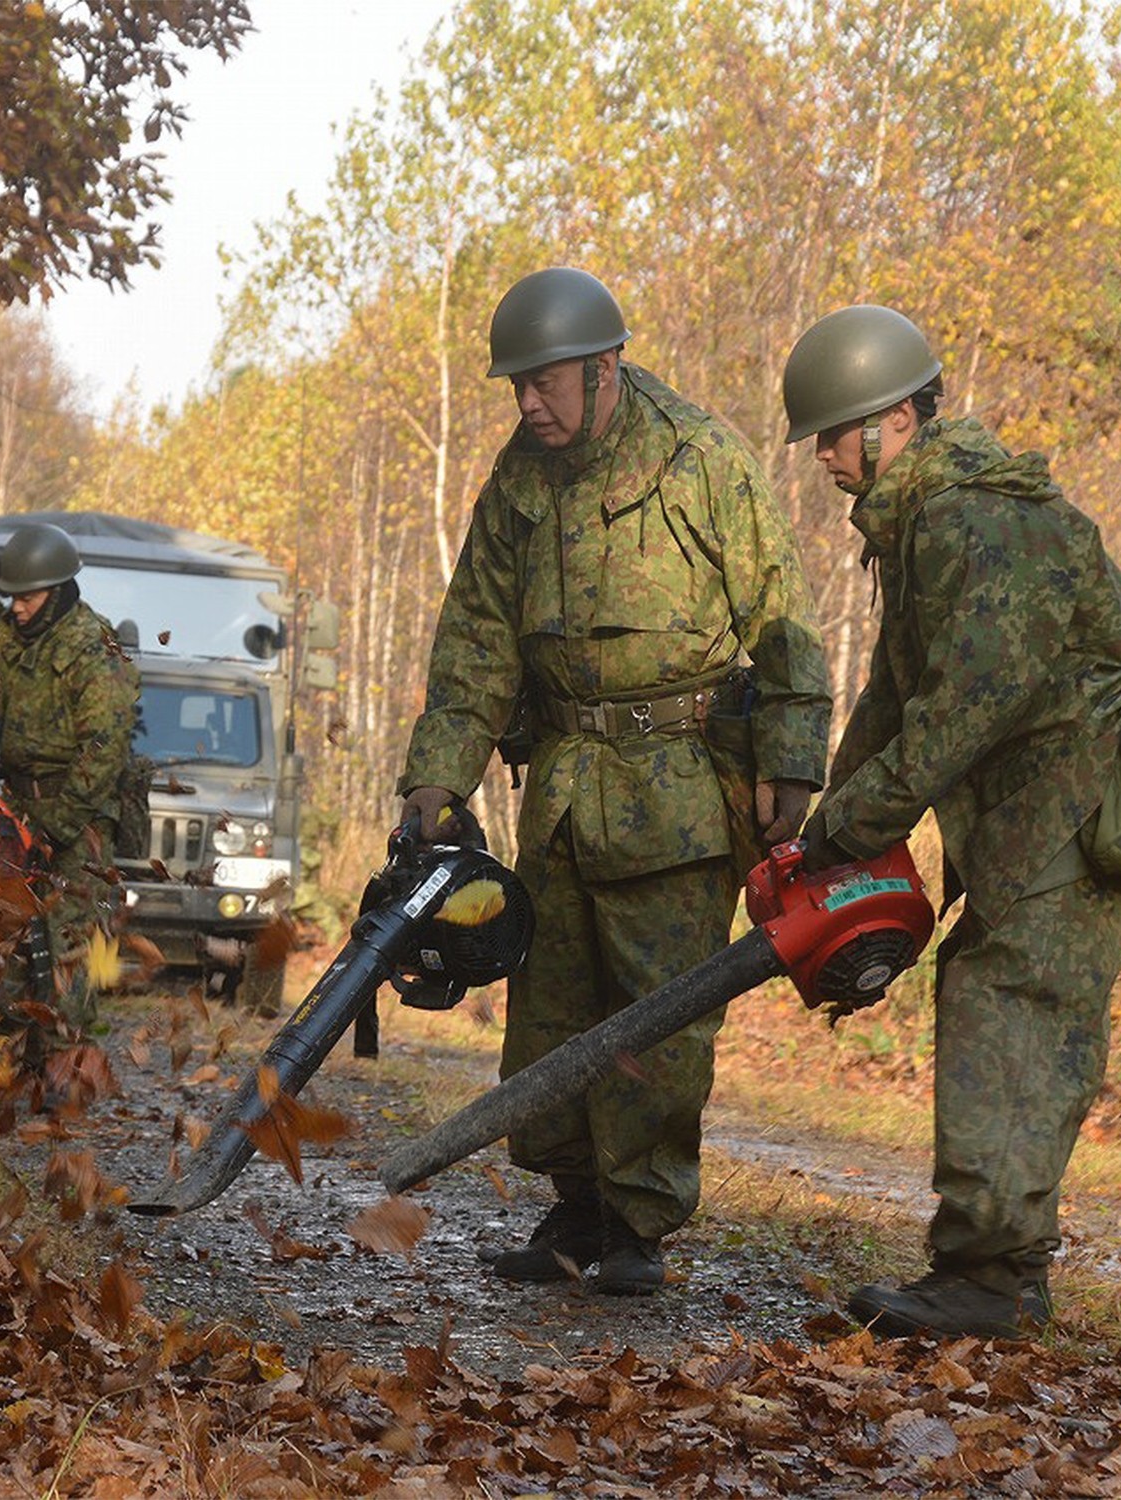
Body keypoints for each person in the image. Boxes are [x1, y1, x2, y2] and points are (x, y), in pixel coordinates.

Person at [399, 267, 832, 1295]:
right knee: (551, 1010)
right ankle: (576, 1208)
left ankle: (639, 1225)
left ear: (604, 368)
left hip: (679, 790)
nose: (528, 404)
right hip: (562, 789)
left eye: (543, 383)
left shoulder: (698, 459)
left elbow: (783, 617)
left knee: (657, 1020)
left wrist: (790, 760)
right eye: (517, 387)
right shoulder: (519, 480)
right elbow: (476, 642)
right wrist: (437, 779)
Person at [781, 304, 1121, 1338]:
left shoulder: (974, 521)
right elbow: (896, 693)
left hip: (1077, 805)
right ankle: (1002, 1270)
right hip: (1031, 811)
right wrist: (827, 827)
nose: (821, 455)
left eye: (834, 432)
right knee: (998, 999)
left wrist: (859, 819)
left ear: (896, 421)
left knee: (1012, 1013)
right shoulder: (923, 522)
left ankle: (989, 1281)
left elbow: (968, 707)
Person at [0, 522, 140, 1029]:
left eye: (27, 598)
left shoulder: (94, 647)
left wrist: (57, 827)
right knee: (8, 933)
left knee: (68, 943)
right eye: (13, 597)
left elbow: (104, 747)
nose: (17, 607)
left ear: (57, 590)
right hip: (18, 807)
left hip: (80, 819)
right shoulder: (8, 638)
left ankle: (67, 1057)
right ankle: (17, 1049)